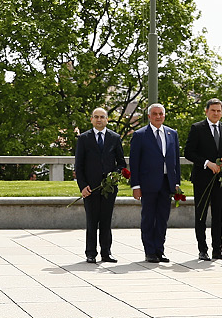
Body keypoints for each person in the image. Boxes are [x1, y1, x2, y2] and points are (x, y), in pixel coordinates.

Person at [129, 103, 182, 263]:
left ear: (164, 116)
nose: (158, 116)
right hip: (148, 184)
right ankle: (150, 251)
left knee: (162, 218)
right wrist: (135, 186)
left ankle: (160, 250)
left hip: (167, 183)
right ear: (149, 116)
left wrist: (176, 183)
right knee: (148, 218)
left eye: (161, 114)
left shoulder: (172, 134)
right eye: (155, 114)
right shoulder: (140, 135)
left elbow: (175, 161)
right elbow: (134, 162)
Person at [74, 107, 125, 263]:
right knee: (92, 221)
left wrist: (114, 175)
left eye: (102, 117)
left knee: (106, 221)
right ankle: (90, 253)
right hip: (90, 188)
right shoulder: (84, 138)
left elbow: (121, 163)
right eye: (96, 117)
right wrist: (83, 186)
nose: (99, 119)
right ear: (91, 120)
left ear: (107, 120)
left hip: (109, 188)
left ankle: (106, 253)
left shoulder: (115, 138)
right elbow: (79, 165)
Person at [185, 98, 222, 260]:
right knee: (201, 215)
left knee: (218, 216)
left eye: (219, 111)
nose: (216, 113)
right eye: (213, 110)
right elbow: (189, 152)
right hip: (202, 178)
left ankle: (217, 250)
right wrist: (207, 163)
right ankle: (202, 249)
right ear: (206, 111)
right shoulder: (197, 128)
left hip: (219, 179)